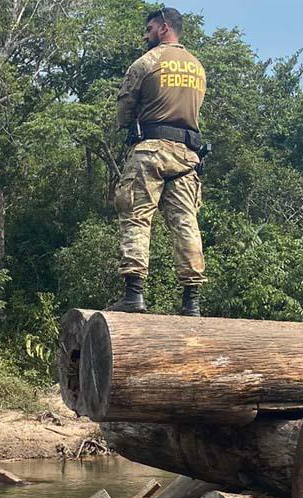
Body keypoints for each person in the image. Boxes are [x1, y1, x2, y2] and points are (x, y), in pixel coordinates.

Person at [107, 7, 206, 316]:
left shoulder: (146, 63)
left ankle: (134, 295)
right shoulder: (198, 67)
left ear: (164, 28)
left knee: (136, 214)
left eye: (150, 29)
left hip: (150, 150)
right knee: (186, 223)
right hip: (187, 155)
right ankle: (191, 302)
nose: (146, 35)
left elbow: (124, 113)